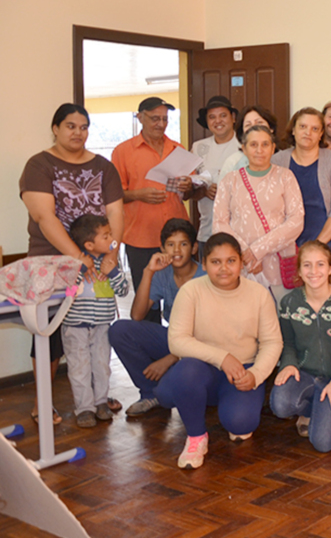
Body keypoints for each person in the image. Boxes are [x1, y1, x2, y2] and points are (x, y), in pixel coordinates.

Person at [20, 103, 124, 424]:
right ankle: (42, 402)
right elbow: (44, 217)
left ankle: (98, 397)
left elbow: (116, 213)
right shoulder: (39, 164)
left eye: (83, 126)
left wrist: (110, 252)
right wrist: (78, 256)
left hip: (98, 264)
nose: (77, 132)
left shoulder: (104, 168)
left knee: (98, 333)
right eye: (70, 126)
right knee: (48, 334)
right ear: (55, 128)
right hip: (50, 262)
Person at [155, 232, 284, 470]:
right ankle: (196, 437)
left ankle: (216, 403)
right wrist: (222, 357)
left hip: (242, 371)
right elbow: (177, 341)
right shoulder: (191, 291)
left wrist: (255, 374)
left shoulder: (259, 295)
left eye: (231, 261)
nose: (224, 268)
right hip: (202, 369)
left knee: (241, 424)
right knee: (174, 385)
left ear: (241, 263)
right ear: (204, 264)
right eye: (215, 262)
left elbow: (272, 342)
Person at [270, 240, 331, 452]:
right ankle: (310, 409)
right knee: (281, 404)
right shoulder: (290, 303)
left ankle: (330, 407)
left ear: (330, 269)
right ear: (300, 271)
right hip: (305, 375)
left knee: (323, 444)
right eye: (307, 265)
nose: (314, 271)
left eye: (320, 264)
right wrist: (289, 364)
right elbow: (288, 342)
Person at [111, 96, 195, 323]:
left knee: (184, 296)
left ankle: (183, 349)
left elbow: (190, 191)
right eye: (155, 118)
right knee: (146, 302)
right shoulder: (123, 151)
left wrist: (188, 186)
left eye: (165, 119)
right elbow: (113, 195)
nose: (160, 124)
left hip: (178, 238)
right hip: (141, 237)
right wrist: (138, 194)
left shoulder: (177, 149)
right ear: (140, 117)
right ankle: (153, 351)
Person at [109, 218, 205, 417]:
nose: (177, 250)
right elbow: (137, 315)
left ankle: (175, 383)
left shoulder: (205, 277)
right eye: (171, 245)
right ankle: (149, 393)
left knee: (170, 392)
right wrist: (148, 271)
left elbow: (209, 334)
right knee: (119, 330)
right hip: (175, 338)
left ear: (194, 248)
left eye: (183, 244)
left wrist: (170, 359)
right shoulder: (163, 274)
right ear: (162, 248)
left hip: (204, 347)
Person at [213, 124, 304, 301]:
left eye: (265, 144)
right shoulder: (229, 180)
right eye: (253, 145)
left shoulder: (286, 177)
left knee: (280, 320)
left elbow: (296, 220)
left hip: (278, 265)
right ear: (244, 149)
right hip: (242, 264)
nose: (259, 150)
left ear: (273, 148)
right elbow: (219, 222)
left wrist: (256, 251)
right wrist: (245, 255)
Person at [271, 107, 331, 286]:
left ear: (321, 133)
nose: (308, 133)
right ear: (293, 130)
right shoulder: (277, 161)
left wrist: (316, 247)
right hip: (286, 249)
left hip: (326, 246)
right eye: (302, 127)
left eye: (315, 129)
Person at [62, 214, 130, 428]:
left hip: (102, 324)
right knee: (79, 367)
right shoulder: (73, 263)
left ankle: (101, 402)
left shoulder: (109, 262)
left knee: (102, 365)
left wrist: (114, 273)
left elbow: (123, 289)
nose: (111, 238)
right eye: (106, 235)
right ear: (89, 244)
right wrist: (81, 270)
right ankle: (84, 408)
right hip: (75, 326)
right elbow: (66, 292)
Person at [191, 95, 240, 258]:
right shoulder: (198, 148)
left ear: (233, 118)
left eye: (223, 115)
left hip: (240, 231)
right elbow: (190, 188)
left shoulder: (245, 146)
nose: (217, 121)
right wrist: (204, 190)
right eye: (212, 117)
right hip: (207, 230)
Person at [222, 105, 279, 173]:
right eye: (248, 125)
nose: (254, 128)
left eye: (259, 122)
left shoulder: (284, 158)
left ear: (271, 128)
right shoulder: (233, 162)